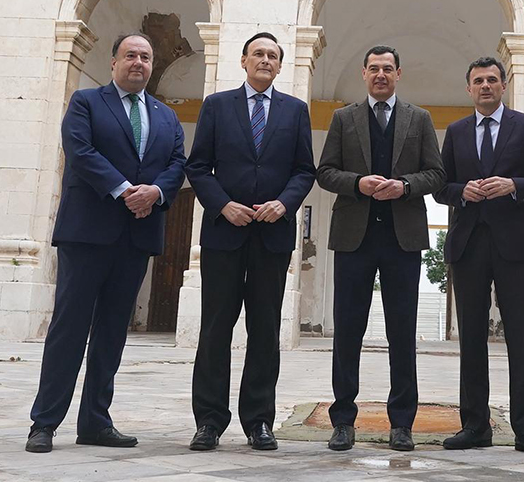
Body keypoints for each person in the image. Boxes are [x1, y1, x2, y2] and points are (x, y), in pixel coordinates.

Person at [26, 33, 187, 453]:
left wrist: (155, 193)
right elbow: (80, 150)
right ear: (114, 62)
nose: (138, 62)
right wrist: (123, 189)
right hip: (88, 233)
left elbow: (176, 164)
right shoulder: (86, 102)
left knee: (113, 332)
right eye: (130, 55)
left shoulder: (166, 116)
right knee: (70, 328)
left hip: (136, 235)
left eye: (146, 57)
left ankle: (95, 420)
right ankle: (44, 422)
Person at [184, 32, 315, 452]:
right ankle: (208, 421)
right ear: (243, 61)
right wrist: (223, 205)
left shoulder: (295, 112)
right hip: (225, 233)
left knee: (264, 331)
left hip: (272, 236)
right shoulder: (216, 106)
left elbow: (304, 170)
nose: (265, 60)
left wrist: (284, 203)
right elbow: (199, 166)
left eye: (272, 56)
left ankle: (259, 421)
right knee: (215, 328)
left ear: (280, 66)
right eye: (257, 53)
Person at [315, 45, 445, 452]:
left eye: (388, 69)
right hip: (354, 238)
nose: (381, 75)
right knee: (347, 332)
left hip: (402, 240)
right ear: (364, 73)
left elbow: (437, 174)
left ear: (399, 74)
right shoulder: (343, 118)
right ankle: (342, 421)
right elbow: (325, 172)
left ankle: (402, 423)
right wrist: (358, 183)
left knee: (402, 333)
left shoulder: (419, 119)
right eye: (374, 69)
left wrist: (405, 186)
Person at [433, 57, 524, 457]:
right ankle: (474, 425)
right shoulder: (456, 131)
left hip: (515, 245)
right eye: (477, 81)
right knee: (471, 338)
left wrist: (513, 185)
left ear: (503, 85)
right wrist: (460, 192)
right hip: (468, 244)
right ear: (468, 88)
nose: (485, 86)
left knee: (521, 335)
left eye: (492, 80)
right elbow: (440, 186)